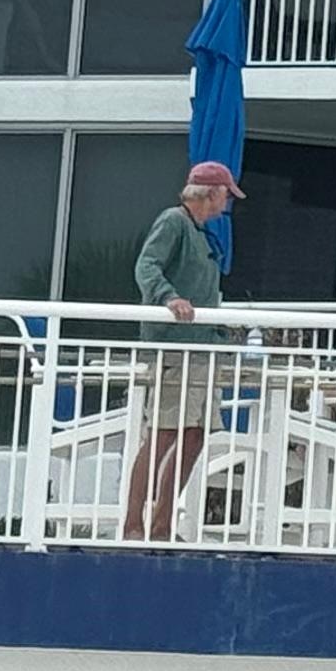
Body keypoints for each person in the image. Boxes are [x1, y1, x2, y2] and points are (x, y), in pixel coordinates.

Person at [122, 162, 240, 542]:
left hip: (203, 349)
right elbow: (146, 266)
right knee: (163, 433)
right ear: (212, 193)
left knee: (195, 435)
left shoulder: (201, 233)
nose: (227, 203)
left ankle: (162, 525)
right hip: (174, 348)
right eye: (226, 195)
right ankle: (133, 524)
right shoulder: (174, 222)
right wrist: (169, 297)